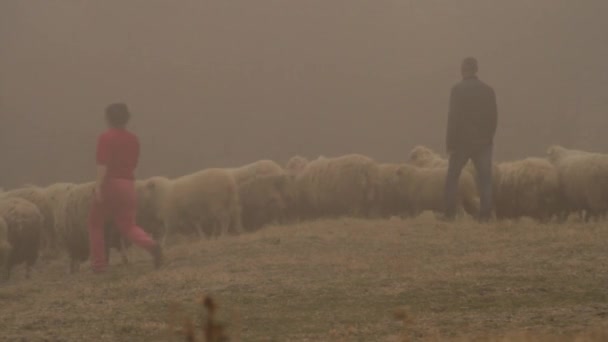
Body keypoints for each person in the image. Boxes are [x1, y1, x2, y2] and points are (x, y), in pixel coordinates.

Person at [88, 102, 163, 273]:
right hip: (128, 185)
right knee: (128, 225)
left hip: (110, 183)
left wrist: (98, 187)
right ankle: (152, 246)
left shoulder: (106, 137)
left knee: (95, 223)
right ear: (126, 119)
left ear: (108, 119)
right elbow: (134, 163)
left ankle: (99, 265)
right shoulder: (133, 139)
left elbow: (102, 164)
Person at [444, 57, 498, 222]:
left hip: (461, 142)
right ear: (476, 70)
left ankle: (449, 214)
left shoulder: (457, 90)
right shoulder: (488, 90)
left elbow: (453, 117)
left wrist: (450, 143)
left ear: (464, 69)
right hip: (483, 142)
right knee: (485, 179)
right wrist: (488, 137)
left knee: (452, 177)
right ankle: (485, 214)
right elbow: (493, 117)